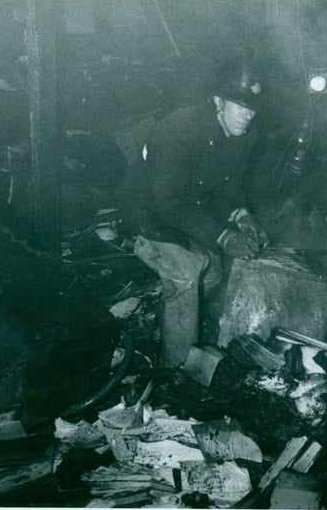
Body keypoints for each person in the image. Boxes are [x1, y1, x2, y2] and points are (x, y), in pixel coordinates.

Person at [116, 53, 270, 367]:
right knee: (187, 277)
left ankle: (165, 325)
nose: (247, 116)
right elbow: (169, 202)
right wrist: (224, 237)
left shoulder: (245, 136)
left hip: (186, 212)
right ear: (218, 101)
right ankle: (176, 368)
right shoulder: (180, 128)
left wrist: (243, 216)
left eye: (252, 108)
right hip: (148, 215)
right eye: (239, 106)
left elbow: (230, 185)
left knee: (212, 275)